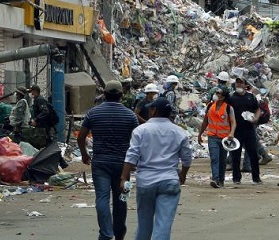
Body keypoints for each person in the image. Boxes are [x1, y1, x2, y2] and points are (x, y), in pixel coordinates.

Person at [121, 97, 192, 240]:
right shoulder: (179, 132)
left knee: (144, 223)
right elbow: (187, 159)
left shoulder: (141, 130)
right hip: (169, 180)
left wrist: (123, 177)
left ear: (153, 111)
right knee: (164, 224)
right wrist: (182, 175)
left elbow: (132, 155)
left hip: (146, 181)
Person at [78, 80, 139, 240]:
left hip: (100, 163)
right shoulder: (130, 115)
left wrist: (84, 154)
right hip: (123, 165)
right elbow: (138, 141)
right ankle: (119, 233)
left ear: (104, 94)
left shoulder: (93, 113)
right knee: (122, 199)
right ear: (121, 95)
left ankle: (105, 233)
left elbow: (82, 136)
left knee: (102, 198)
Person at [198, 87, 236, 188]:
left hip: (224, 138)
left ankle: (221, 180)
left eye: (218, 93)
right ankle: (215, 179)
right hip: (212, 136)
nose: (216, 94)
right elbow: (205, 121)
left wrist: (231, 133)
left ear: (223, 96)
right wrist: (200, 134)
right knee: (214, 158)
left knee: (222, 160)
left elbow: (233, 122)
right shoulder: (210, 106)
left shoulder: (228, 108)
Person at [228, 77, 262, 184]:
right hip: (236, 130)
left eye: (240, 83)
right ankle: (236, 178)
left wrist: (256, 118)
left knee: (253, 154)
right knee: (235, 155)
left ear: (245, 85)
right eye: (237, 83)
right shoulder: (231, 97)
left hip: (249, 129)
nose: (238, 85)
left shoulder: (251, 97)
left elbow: (257, 110)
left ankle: (256, 178)